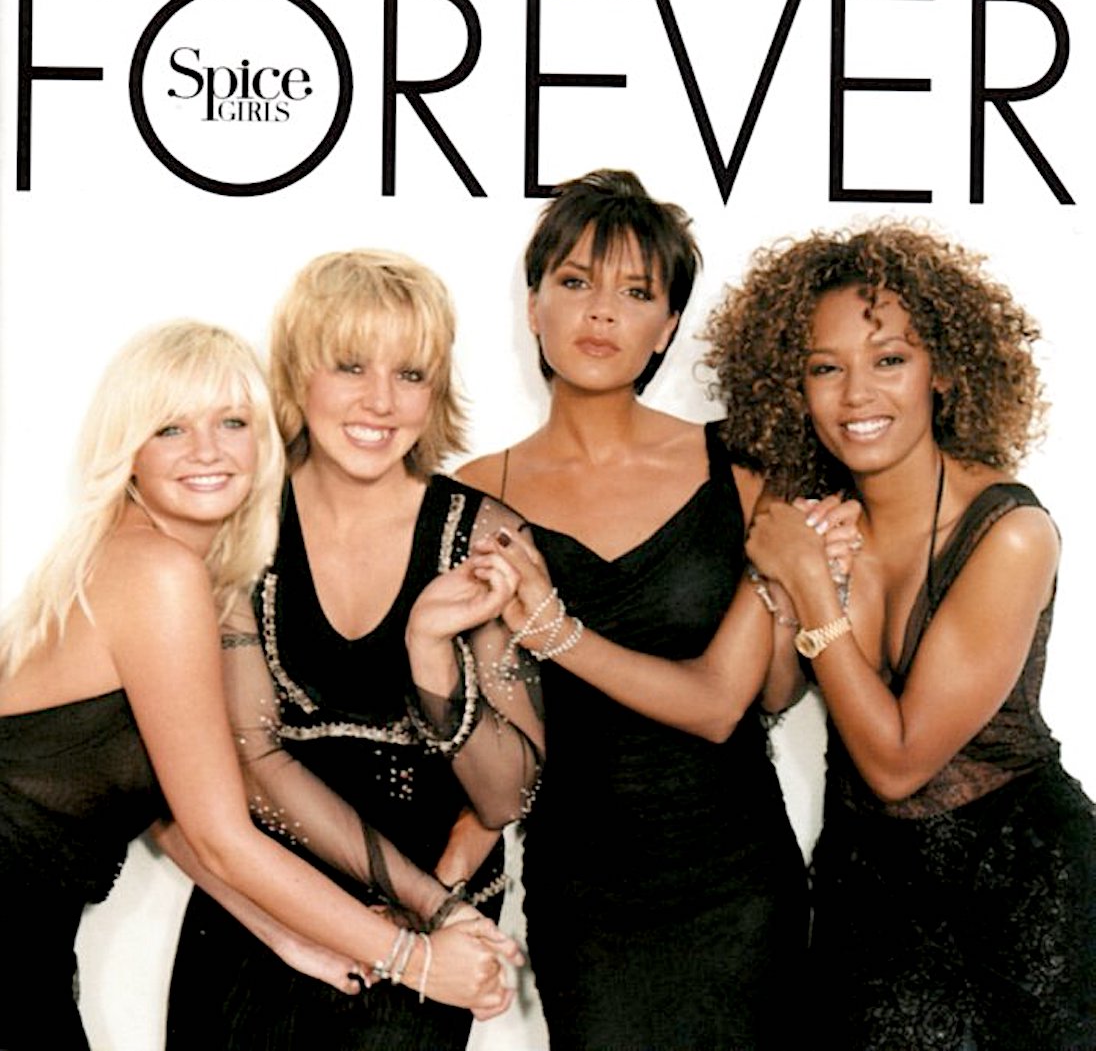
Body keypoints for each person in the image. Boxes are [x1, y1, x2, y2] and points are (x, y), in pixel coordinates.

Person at [0, 321, 517, 1051]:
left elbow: (173, 816)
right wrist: (415, 960)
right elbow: (220, 834)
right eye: (170, 428)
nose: (207, 450)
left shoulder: (155, 565)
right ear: (128, 451)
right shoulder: (157, 574)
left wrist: (288, 939)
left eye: (232, 422)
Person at [458, 170, 850, 1050]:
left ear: (668, 325)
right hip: (585, 896)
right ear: (533, 305)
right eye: (575, 281)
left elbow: (756, 697)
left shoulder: (740, 467)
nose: (602, 312)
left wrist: (558, 630)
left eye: (636, 292)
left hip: (738, 885)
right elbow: (486, 729)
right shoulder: (472, 496)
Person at [711, 222, 1096, 1049]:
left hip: (1021, 899)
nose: (857, 395)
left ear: (942, 371)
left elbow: (897, 763)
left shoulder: (1011, 533)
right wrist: (781, 578)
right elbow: (773, 693)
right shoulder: (825, 518)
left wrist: (812, 585)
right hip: (870, 898)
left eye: (889, 359)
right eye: (825, 367)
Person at [167, 252, 543, 1051]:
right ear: (297, 372)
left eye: (410, 373)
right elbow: (252, 759)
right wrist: (400, 920)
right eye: (349, 366)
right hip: (269, 911)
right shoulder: (240, 521)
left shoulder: (481, 535)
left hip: (440, 916)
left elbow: (508, 793)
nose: (381, 401)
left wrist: (430, 651)